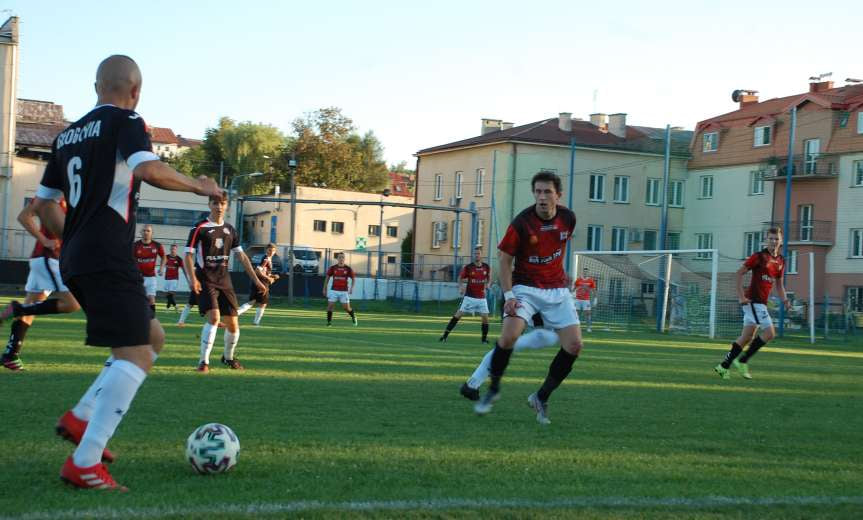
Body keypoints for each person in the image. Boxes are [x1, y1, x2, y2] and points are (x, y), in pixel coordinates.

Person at [30, 55, 222, 490]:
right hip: (106, 254)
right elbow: (148, 169)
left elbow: (43, 205)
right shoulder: (127, 120)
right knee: (135, 352)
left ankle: (81, 417)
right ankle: (85, 461)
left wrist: (71, 240)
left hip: (77, 256)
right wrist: (200, 186)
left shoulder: (66, 137)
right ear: (135, 91)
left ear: (96, 87)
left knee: (151, 338)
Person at [473, 171, 582, 425]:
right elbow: (503, 259)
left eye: (547, 192)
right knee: (509, 335)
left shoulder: (568, 218)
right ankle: (493, 389)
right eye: (538, 192)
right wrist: (509, 294)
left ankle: (540, 397)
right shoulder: (522, 222)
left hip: (555, 289)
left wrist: (561, 273)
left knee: (574, 346)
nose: (541, 197)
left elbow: (557, 247)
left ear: (558, 195)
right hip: (524, 287)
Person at [186, 192, 266, 372]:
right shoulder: (199, 228)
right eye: (215, 203)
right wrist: (193, 278)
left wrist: (257, 281)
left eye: (222, 203)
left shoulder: (230, 229)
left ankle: (228, 357)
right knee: (214, 318)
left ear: (226, 206)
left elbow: (242, 257)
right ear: (209, 205)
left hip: (225, 280)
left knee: (233, 324)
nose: (219, 207)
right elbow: (188, 256)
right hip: (206, 279)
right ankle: (203, 362)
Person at [0, 199, 81, 370]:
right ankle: (17, 309)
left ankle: (10, 355)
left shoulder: (74, 194)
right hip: (49, 258)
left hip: (48, 260)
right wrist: (44, 240)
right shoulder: (53, 194)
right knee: (72, 304)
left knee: (31, 307)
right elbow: (24, 216)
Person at [714, 227, 790, 380]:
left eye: (776, 239)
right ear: (766, 240)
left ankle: (723, 366)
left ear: (781, 241)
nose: (773, 241)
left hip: (760, 303)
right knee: (770, 333)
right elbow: (739, 273)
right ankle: (743, 360)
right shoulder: (759, 257)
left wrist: (785, 300)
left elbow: (779, 285)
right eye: (771, 238)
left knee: (747, 337)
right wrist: (741, 296)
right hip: (752, 301)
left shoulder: (781, 261)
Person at [459, 313, 559, 401]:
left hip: (534, 300)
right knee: (506, 346)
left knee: (508, 346)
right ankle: (471, 385)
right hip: (525, 299)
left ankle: (472, 384)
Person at [439, 246, 492, 343]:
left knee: (485, 318)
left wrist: (487, 285)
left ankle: (484, 339)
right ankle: (444, 336)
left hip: (481, 297)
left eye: (478, 253)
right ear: (473, 255)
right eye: (475, 253)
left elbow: (489, 279)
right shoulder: (468, 267)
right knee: (458, 315)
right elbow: (460, 278)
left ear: (481, 255)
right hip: (469, 297)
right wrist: (460, 287)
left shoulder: (486, 267)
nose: (476, 255)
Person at [237, 243, 279, 325]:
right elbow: (257, 271)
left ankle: (237, 313)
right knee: (263, 303)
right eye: (270, 250)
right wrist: (268, 278)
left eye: (273, 250)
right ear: (266, 250)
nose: (271, 252)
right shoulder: (266, 259)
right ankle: (256, 323)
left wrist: (273, 276)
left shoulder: (268, 259)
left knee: (253, 301)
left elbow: (264, 271)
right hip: (261, 283)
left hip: (259, 282)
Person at [133, 224, 165, 313]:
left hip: (151, 277)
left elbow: (164, 257)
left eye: (148, 231)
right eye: (144, 230)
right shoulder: (135, 245)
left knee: (151, 299)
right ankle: (137, 317)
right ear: (141, 232)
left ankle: (152, 319)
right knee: (137, 298)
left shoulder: (157, 245)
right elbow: (129, 259)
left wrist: (161, 268)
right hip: (138, 277)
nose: (146, 232)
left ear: (152, 233)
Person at [323, 253, 357, 327]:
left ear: (344, 259)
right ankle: (329, 322)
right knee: (330, 306)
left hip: (344, 291)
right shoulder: (333, 268)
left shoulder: (348, 269)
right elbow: (327, 278)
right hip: (334, 290)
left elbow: (353, 278)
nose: (341, 259)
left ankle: (353, 316)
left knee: (346, 308)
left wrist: (352, 288)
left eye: (343, 257)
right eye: (340, 257)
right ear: (337, 259)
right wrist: (324, 288)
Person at [572, 267, 596, 332]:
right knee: (576, 314)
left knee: (588, 313)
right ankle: (576, 328)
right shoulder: (578, 280)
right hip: (578, 299)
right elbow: (574, 289)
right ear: (582, 272)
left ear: (588, 272)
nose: (585, 272)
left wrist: (595, 298)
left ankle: (588, 327)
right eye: (584, 271)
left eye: (586, 271)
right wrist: (571, 295)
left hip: (586, 300)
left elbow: (594, 290)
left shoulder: (591, 280)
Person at [162, 244, 185, 311]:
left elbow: (183, 268)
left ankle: (167, 308)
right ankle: (176, 306)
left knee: (171, 294)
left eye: (174, 249)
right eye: (171, 249)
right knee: (167, 294)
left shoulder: (179, 259)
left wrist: (186, 275)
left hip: (174, 279)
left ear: (176, 250)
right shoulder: (166, 257)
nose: (173, 250)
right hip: (166, 278)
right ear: (170, 249)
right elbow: (162, 264)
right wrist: (160, 270)